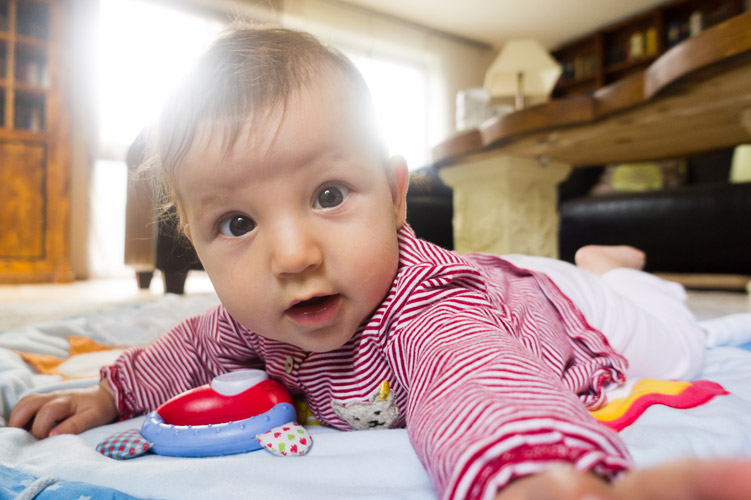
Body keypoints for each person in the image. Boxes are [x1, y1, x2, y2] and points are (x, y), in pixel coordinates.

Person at [9, 25, 751, 500]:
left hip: (569, 312)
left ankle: (614, 267)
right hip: (505, 278)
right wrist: (113, 394)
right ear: (196, 246)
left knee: (673, 335)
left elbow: (477, 386)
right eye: (237, 222)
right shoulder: (253, 318)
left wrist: (534, 479)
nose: (293, 255)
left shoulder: (429, 315)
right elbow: (189, 347)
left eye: (328, 194)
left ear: (395, 196)